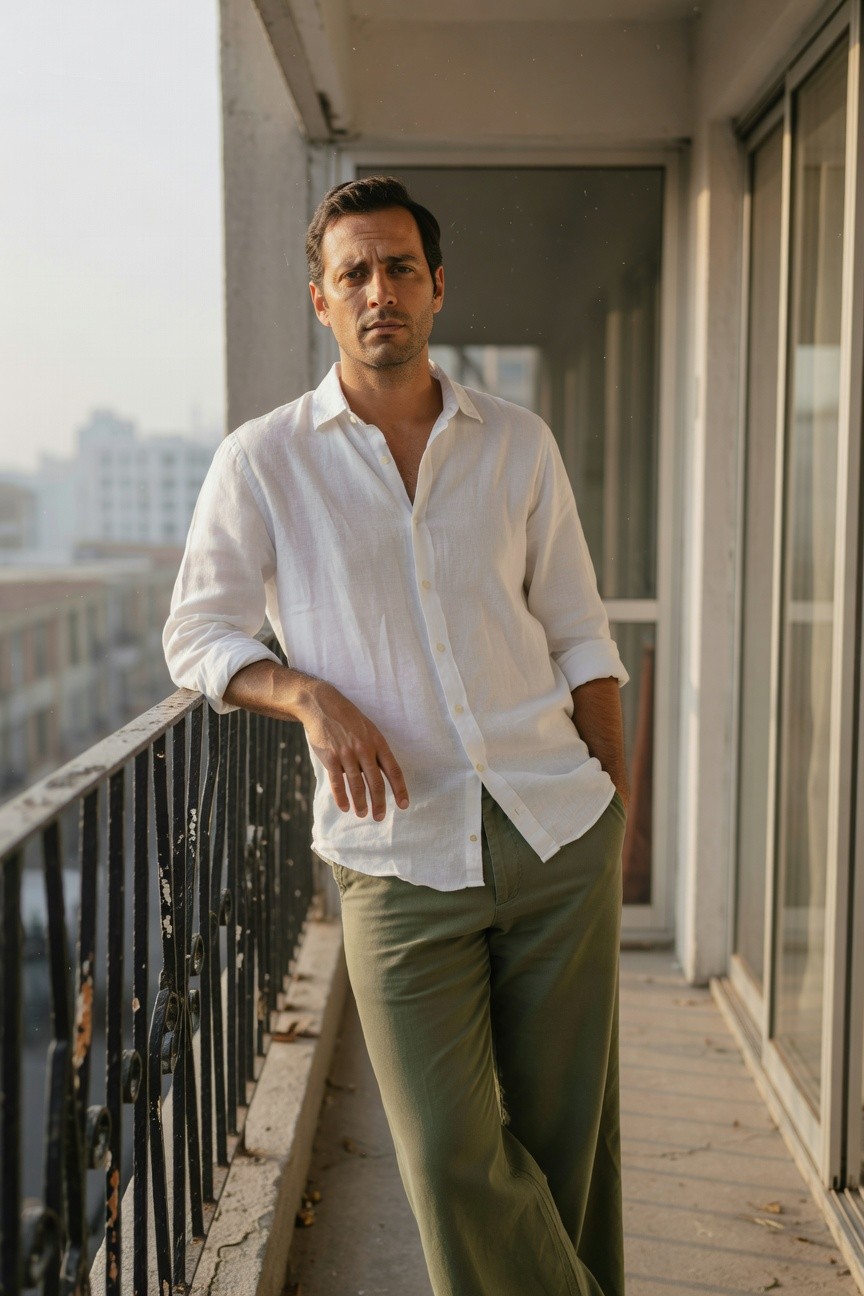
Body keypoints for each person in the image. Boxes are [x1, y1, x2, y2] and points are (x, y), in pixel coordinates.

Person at [164, 175, 629, 1296]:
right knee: (448, 1154)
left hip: (556, 829)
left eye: (401, 268)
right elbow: (198, 635)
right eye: (355, 272)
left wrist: (615, 813)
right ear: (321, 301)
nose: (381, 290)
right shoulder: (262, 462)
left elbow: (583, 636)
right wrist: (308, 696)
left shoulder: (517, 444)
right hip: (394, 857)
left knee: (571, 1145)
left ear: (436, 288)